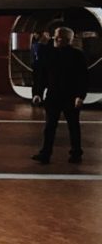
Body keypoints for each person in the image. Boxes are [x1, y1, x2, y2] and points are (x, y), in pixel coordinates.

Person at [32, 26, 88, 165]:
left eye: (59, 37)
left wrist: (80, 96)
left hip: (70, 96)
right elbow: (42, 76)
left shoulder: (77, 55)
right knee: (50, 127)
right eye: (55, 36)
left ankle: (75, 153)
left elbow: (83, 78)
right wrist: (37, 93)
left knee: (73, 126)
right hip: (54, 95)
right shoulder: (49, 53)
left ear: (68, 40)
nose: (56, 39)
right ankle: (46, 153)